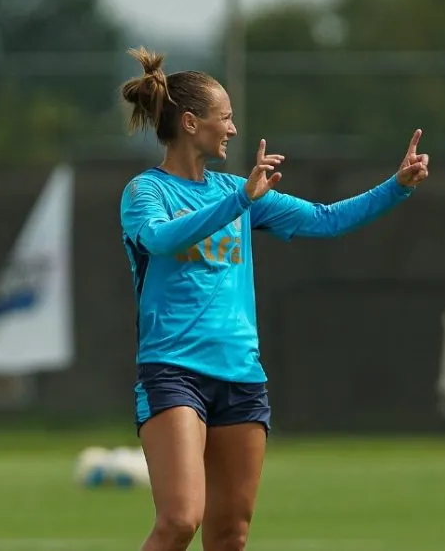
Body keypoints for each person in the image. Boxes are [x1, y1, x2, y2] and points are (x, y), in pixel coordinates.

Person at [118, 46, 429, 551]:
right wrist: (240, 200)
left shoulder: (241, 191)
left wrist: (396, 187)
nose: (234, 129)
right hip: (173, 371)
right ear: (192, 123)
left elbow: (326, 219)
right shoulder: (145, 192)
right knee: (179, 521)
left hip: (242, 376)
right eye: (227, 118)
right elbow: (161, 240)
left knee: (231, 537)